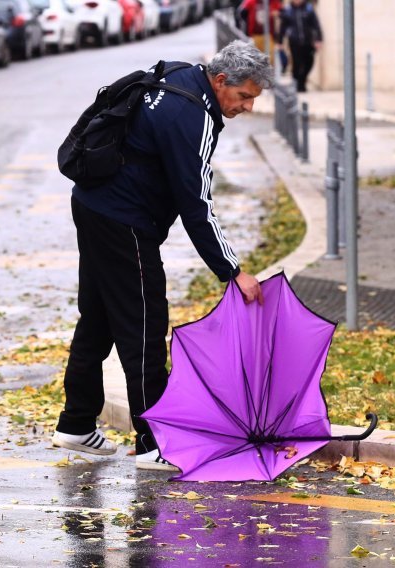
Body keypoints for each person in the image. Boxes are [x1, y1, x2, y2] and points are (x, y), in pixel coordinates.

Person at [51, 40, 274, 471]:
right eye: (244, 96)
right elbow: (197, 204)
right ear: (221, 80)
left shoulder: (178, 77)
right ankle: (154, 441)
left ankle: (76, 423)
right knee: (145, 325)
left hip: (93, 203)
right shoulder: (193, 115)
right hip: (123, 219)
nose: (247, 107)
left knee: (97, 317)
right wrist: (233, 271)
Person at [277, 0, 322, 93]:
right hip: (294, 41)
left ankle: (302, 80)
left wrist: (318, 39)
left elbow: (316, 25)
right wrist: (280, 41)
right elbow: (283, 27)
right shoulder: (288, 10)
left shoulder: (308, 9)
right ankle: (298, 85)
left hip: (308, 41)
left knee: (309, 62)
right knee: (297, 63)